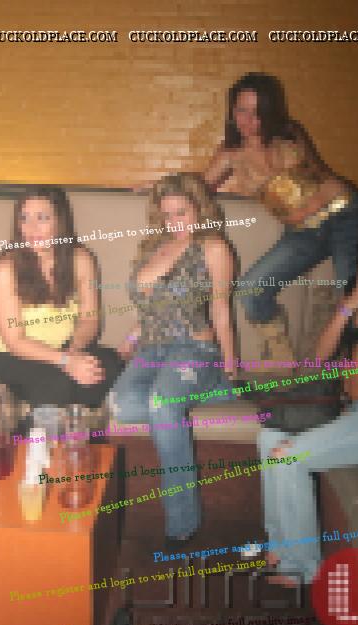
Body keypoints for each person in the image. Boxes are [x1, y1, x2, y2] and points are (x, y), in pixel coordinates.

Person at [254, 208, 358, 585]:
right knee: (269, 438)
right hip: (356, 411)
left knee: (288, 456)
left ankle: (304, 568)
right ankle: (280, 547)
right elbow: (320, 357)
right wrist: (350, 304)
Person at [205, 72, 358, 360]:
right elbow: (198, 186)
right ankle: (281, 357)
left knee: (353, 292)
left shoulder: (290, 134)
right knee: (251, 289)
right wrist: (160, 185)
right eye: (242, 110)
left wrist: (309, 208)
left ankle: (354, 367)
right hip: (303, 233)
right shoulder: (229, 153)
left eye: (258, 112)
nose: (249, 121)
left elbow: (323, 176)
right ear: (232, 111)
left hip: (344, 213)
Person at [111, 173, 236, 543]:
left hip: (193, 348)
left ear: (200, 209)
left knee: (163, 406)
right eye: (167, 214)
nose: (174, 221)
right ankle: (207, 391)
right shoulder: (154, 248)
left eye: (181, 212)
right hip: (151, 350)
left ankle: (182, 525)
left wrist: (230, 362)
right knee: (120, 406)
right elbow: (148, 312)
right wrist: (126, 344)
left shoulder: (212, 246)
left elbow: (221, 308)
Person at [0, 186, 123, 409]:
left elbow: (90, 319)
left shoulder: (81, 259)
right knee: (59, 385)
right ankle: (33, 430)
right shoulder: (5, 270)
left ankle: (73, 428)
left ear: (60, 221)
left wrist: (73, 351)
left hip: (67, 347)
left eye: (42, 218)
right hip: (16, 357)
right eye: (24, 218)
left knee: (108, 365)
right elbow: (15, 341)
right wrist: (65, 361)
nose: (31, 228)